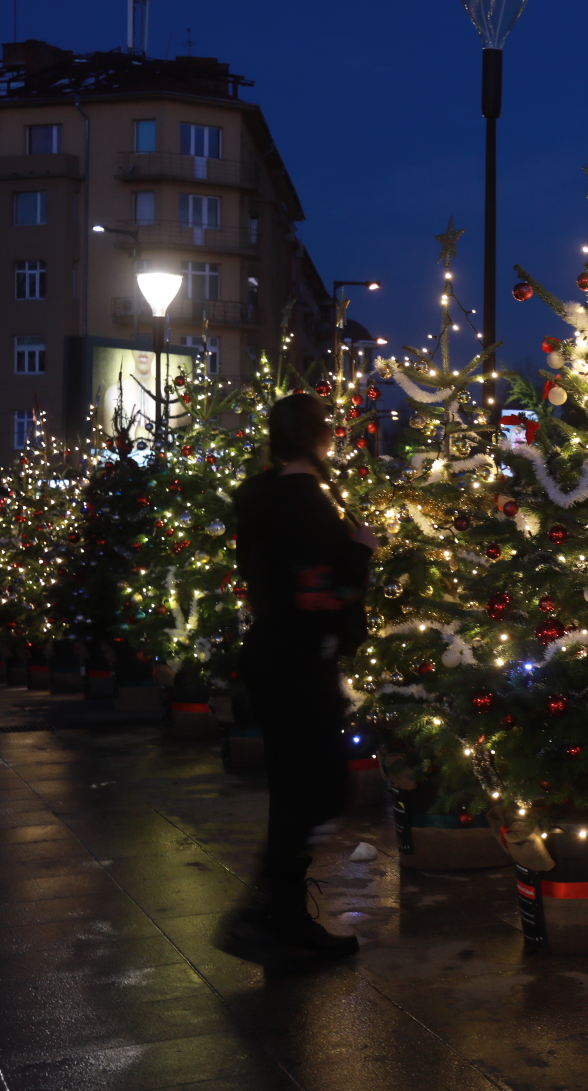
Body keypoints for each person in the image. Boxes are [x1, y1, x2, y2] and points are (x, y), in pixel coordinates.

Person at [216, 392, 378, 966]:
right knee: (325, 785)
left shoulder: (257, 498)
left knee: (292, 788)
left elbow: (262, 575)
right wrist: (359, 553)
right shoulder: (309, 503)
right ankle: (259, 911)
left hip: (269, 650)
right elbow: (323, 591)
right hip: (300, 656)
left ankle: (283, 921)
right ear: (320, 438)